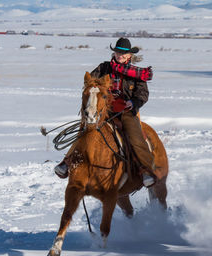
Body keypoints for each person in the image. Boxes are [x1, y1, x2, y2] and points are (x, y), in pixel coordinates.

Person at [54, 37, 156, 187]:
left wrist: (133, 102)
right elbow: (90, 82)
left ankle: (145, 169)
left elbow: (142, 94)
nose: (119, 55)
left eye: (123, 53)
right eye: (117, 52)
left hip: (126, 111)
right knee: (85, 130)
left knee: (135, 136)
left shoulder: (138, 74)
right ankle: (67, 162)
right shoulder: (104, 68)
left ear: (129, 55)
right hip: (104, 109)